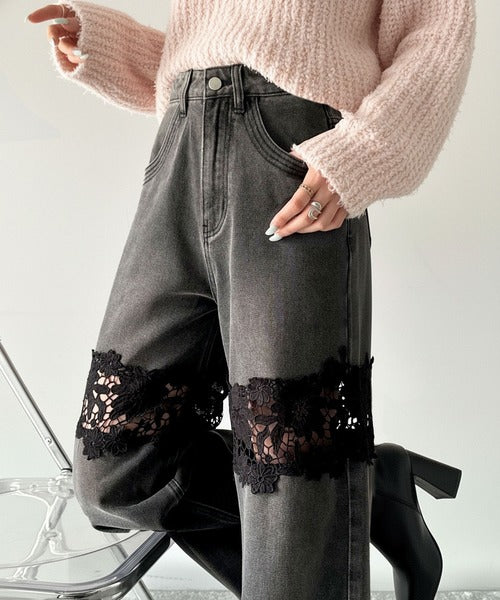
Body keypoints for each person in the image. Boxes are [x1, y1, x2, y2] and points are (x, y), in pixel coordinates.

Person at [26, 2, 476, 599]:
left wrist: (366, 150)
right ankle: (360, 494)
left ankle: (331, 505)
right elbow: (220, 37)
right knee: (117, 470)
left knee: (289, 473)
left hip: (291, 155)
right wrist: (109, 46)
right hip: (181, 141)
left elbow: (437, 29)